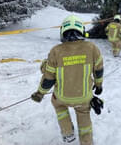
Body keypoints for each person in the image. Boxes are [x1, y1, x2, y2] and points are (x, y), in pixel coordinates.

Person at [31, 15, 104, 145]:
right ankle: (87, 141)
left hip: (62, 97)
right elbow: (98, 70)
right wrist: (98, 85)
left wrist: (40, 93)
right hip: (84, 97)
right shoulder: (92, 48)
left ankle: (67, 133)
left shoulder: (56, 51)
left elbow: (48, 78)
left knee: (58, 105)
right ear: (81, 30)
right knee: (83, 114)